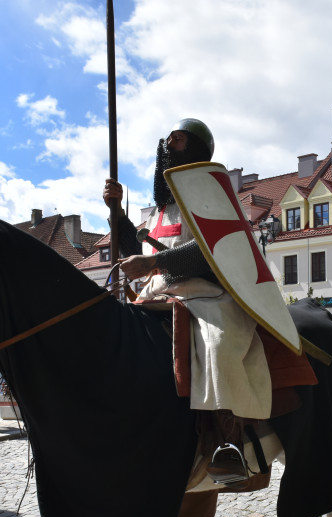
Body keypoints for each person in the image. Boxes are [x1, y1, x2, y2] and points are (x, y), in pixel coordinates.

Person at [105, 118, 271, 486]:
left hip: (207, 295)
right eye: (167, 141)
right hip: (155, 295)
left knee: (218, 345)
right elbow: (140, 251)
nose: (169, 145)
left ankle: (228, 443)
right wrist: (117, 213)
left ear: (196, 148)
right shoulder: (161, 210)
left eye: (178, 140)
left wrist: (153, 262)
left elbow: (219, 247)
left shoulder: (214, 195)